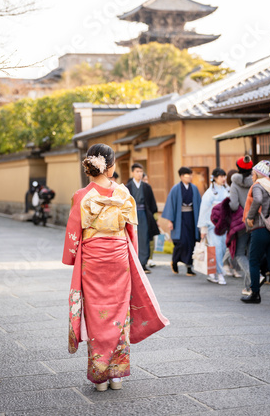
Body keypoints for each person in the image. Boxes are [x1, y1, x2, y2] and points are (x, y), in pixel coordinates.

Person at [62, 143, 169, 392]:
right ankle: (117, 376)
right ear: (110, 166)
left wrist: (71, 259)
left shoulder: (82, 195)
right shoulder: (123, 194)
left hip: (92, 258)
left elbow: (73, 233)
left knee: (96, 313)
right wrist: (131, 254)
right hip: (119, 255)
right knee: (120, 312)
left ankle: (99, 376)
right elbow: (132, 231)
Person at [241, 160, 270, 305]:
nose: (252, 175)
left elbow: (258, 199)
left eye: (253, 173)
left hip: (260, 228)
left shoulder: (258, 185)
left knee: (254, 261)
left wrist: (250, 216)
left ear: (258, 174)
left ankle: (255, 294)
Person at [162, 167, 201, 276]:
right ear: (182, 176)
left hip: (192, 217)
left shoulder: (194, 188)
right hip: (180, 218)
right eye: (187, 175)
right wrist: (170, 221)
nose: (190, 177)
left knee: (191, 242)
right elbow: (171, 205)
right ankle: (175, 261)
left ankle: (189, 267)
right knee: (181, 242)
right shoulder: (175, 189)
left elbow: (198, 204)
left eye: (190, 175)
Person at [198, 168, 229, 284]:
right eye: (221, 176)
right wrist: (203, 227)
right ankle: (220, 274)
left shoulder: (226, 190)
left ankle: (212, 273)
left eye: (224, 176)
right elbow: (204, 211)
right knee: (215, 250)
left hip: (224, 225)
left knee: (221, 249)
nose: (223, 179)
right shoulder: (210, 193)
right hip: (212, 226)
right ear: (215, 178)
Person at [126, 163, 159, 274]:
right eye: (137, 172)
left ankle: (143, 264)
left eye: (141, 172)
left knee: (144, 238)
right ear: (132, 173)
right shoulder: (127, 187)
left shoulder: (146, 187)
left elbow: (152, 204)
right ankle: (134, 263)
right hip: (132, 215)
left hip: (144, 214)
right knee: (133, 238)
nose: (139, 174)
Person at [229, 156, 254, 295]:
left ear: (238, 168)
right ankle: (248, 287)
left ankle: (256, 276)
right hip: (255, 221)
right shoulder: (255, 182)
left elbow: (233, 205)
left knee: (239, 253)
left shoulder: (234, 183)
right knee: (251, 255)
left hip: (241, 223)